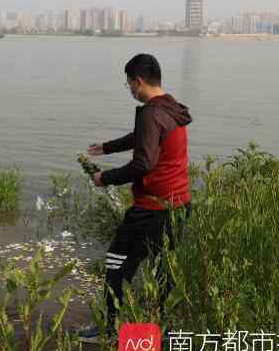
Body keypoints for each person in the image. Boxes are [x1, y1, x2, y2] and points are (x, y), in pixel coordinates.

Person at [78, 53, 193, 344]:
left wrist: (105, 178)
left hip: (151, 210)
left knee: (116, 263)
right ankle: (164, 331)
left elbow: (143, 164)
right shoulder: (170, 107)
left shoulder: (152, 113)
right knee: (163, 270)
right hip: (178, 204)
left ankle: (109, 328)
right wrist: (107, 147)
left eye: (128, 84)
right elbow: (143, 136)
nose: (129, 89)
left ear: (138, 81)